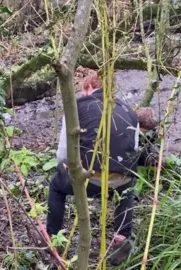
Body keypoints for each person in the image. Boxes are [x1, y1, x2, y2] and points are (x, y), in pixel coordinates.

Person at [40, 74, 159, 266]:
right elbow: (133, 150)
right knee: (127, 188)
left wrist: (67, 166)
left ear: (87, 87)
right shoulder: (128, 110)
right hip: (121, 180)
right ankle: (121, 238)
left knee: (56, 186)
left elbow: (63, 154)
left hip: (88, 179)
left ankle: (54, 238)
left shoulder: (76, 107)